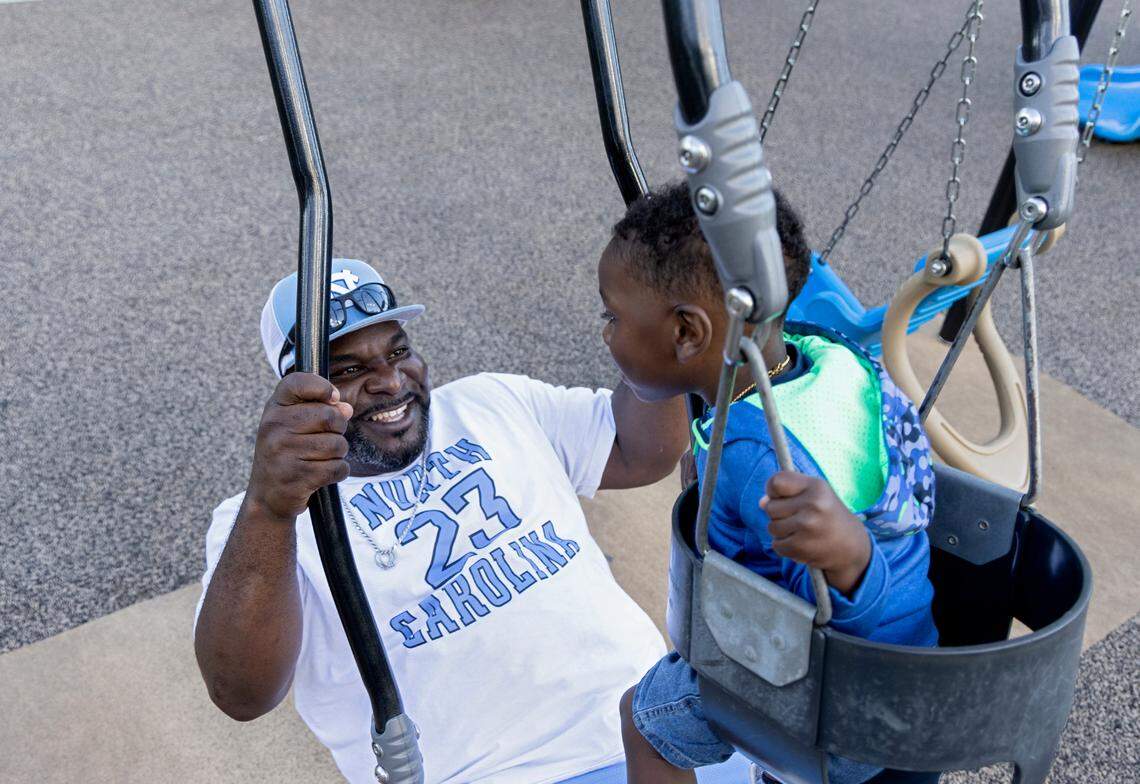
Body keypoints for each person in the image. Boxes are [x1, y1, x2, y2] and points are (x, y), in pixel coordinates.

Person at [193, 258, 692, 784]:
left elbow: (639, 451)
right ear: (298, 393)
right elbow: (240, 694)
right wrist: (269, 508)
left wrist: (662, 338)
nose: (389, 380)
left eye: (398, 350)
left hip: (665, 729)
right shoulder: (268, 517)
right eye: (349, 370)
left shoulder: (492, 402)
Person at [597, 184, 939, 784]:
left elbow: (839, 616)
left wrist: (852, 555)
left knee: (645, 719)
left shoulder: (757, 455)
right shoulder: (825, 357)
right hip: (916, 672)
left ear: (686, 334)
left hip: (842, 711)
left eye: (613, 316)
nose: (606, 334)